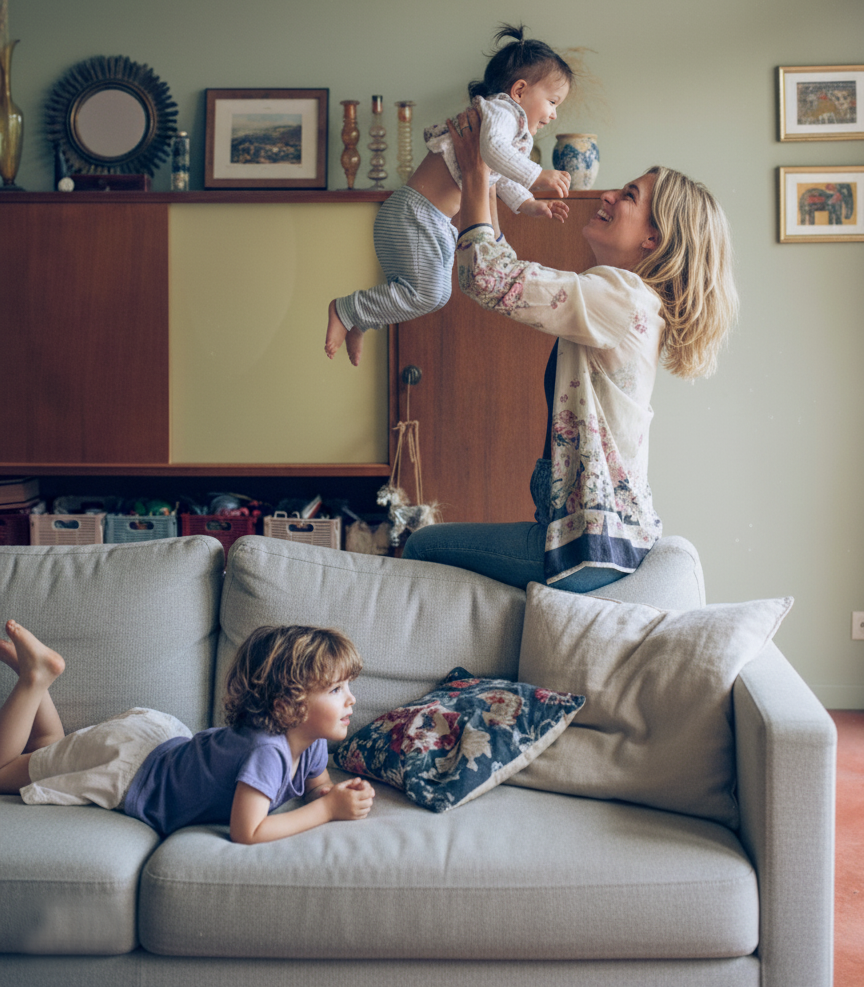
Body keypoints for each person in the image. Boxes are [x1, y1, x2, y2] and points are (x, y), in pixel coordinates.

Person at [403, 105, 738, 594]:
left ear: (654, 236)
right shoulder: (629, 302)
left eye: (629, 195)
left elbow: (489, 277)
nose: (608, 195)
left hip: (590, 547)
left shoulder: (619, 296)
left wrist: (477, 172)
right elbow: (507, 270)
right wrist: (489, 181)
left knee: (420, 547)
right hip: (612, 541)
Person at [325, 24, 574, 365]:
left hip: (433, 222)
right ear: (519, 91)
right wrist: (539, 174)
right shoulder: (501, 113)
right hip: (415, 215)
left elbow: (496, 174)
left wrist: (528, 204)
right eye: (552, 101)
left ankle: (361, 319)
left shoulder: (506, 128)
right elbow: (494, 150)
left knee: (435, 296)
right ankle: (346, 309)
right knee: (427, 293)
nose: (554, 113)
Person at [0, 619, 374, 843]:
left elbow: (315, 786)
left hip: (158, 742)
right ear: (286, 705)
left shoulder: (310, 743)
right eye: (336, 690)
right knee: (6, 773)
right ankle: (34, 679)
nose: (351, 700)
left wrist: (332, 794)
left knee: (50, 749)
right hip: (131, 765)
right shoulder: (268, 750)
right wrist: (328, 810)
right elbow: (248, 832)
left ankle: (35, 677)